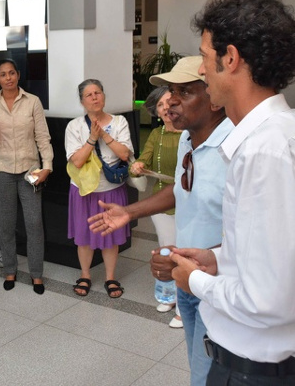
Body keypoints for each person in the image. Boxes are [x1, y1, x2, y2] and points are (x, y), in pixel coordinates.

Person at [170, 0, 295, 384]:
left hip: (252, 372)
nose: (203, 72)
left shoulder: (266, 151)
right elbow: (274, 257)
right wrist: (218, 260)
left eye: (206, 58)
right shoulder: (269, 138)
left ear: (231, 58)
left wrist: (195, 280)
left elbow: (267, 301)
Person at [88, 56, 232, 386]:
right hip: (187, 278)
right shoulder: (186, 138)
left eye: (184, 91)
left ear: (214, 95)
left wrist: (200, 265)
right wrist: (130, 212)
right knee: (198, 368)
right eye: (170, 91)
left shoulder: (235, 145)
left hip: (219, 285)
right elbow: (181, 188)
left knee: (211, 374)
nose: (171, 101)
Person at [0, 59, 53, 294]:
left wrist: (47, 166)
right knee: (6, 224)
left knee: (34, 223)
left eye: (12, 73)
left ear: (18, 75)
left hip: (31, 171)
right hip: (1, 170)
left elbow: (43, 137)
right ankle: (9, 269)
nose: (8, 78)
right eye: (3, 74)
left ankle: (36, 274)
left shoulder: (33, 102)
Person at [65, 79, 132, 298]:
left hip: (111, 189)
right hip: (84, 190)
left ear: (103, 96)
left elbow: (125, 154)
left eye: (98, 93)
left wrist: (104, 135)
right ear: (82, 101)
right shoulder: (74, 126)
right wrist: (92, 138)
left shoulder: (120, 121)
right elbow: (76, 161)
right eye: (89, 95)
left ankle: (110, 277)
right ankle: (85, 275)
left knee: (110, 236)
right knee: (84, 236)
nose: (94, 97)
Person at [133, 85, 183, 327]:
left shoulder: (189, 133)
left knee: (183, 252)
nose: (165, 109)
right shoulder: (157, 134)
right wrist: (139, 165)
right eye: (161, 105)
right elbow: (146, 156)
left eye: (169, 103)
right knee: (166, 249)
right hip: (160, 202)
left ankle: (185, 306)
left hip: (186, 201)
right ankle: (169, 296)